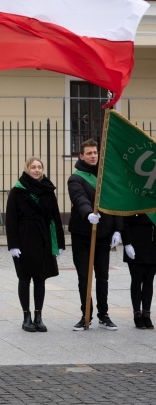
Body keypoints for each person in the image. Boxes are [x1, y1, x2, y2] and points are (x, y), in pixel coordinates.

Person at [67, 138, 123, 331]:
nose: (93, 156)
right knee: (85, 277)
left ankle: (103, 314)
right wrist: (87, 212)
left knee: (103, 277)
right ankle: (86, 315)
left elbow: (114, 204)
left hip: (104, 234)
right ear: (81, 156)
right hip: (83, 234)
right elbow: (79, 197)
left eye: (95, 153)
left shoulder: (105, 176)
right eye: (89, 153)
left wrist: (117, 229)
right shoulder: (76, 178)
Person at [6, 156, 65, 332]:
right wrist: (13, 245)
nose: (37, 170)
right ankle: (26, 317)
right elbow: (11, 220)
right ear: (27, 169)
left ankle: (38, 317)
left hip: (43, 239)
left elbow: (55, 216)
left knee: (40, 279)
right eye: (33, 167)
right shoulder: (18, 190)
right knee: (24, 279)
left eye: (39, 167)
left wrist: (59, 242)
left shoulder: (47, 189)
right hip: (24, 240)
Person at [122, 213, 156, 329]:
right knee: (137, 279)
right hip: (135, 243)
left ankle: (146, 313)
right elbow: (125, 221)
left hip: (152, 244)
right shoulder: (134, 197)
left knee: (149, 280)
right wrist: (127, 243)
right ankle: (137, 314)